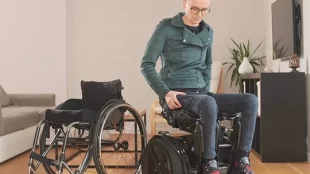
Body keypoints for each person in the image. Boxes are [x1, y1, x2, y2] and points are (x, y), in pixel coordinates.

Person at [140, 0, 258, 173]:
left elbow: (207, 63)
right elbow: (146, 65)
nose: (199, 14)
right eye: (195, 8)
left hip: (201, 95)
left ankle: (241, 160)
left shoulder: (208, 32)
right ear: (185, 4)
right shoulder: (165, 28)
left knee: (250, 100)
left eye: (205, 10)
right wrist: (165, 93)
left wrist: (204, 88)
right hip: (177, 95)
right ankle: (209, 164)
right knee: (207, 103)